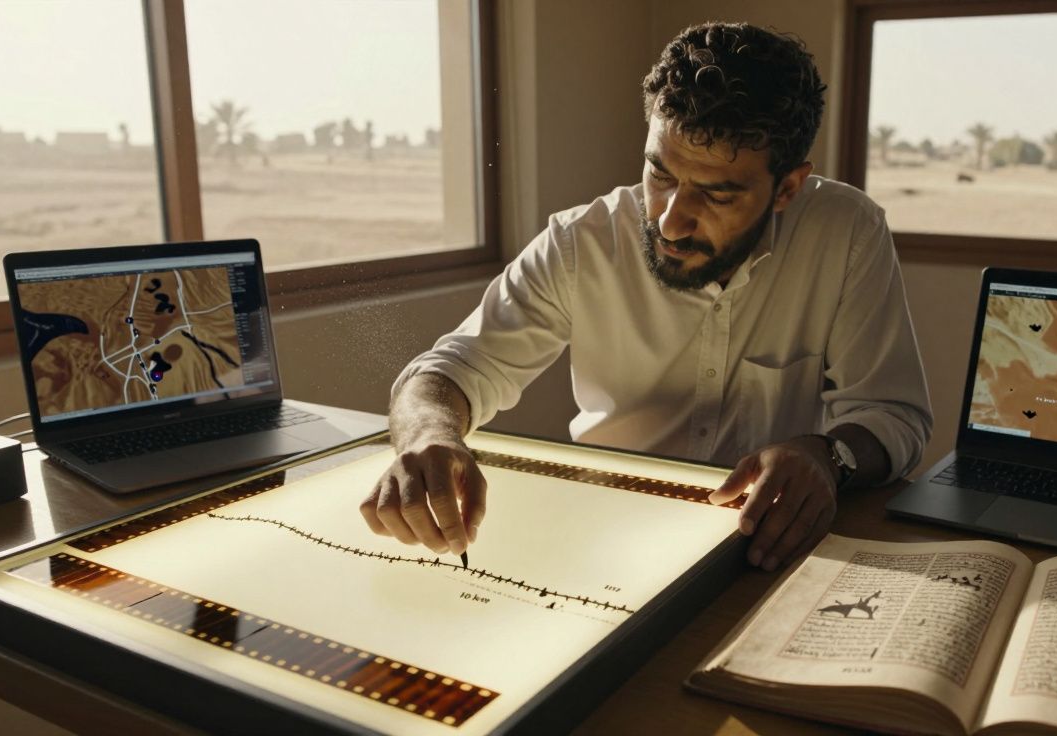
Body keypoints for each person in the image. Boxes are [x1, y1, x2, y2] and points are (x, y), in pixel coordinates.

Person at [359, 22, 932, 571]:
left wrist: (828, 457)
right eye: (659, 175)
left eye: (716, 194)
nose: (671, 221)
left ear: (787, 187)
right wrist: (428, 434)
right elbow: (448, 371)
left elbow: (891, 414)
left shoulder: (847, 231)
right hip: (601, 534)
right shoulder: (581, 242)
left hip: (766, 550)